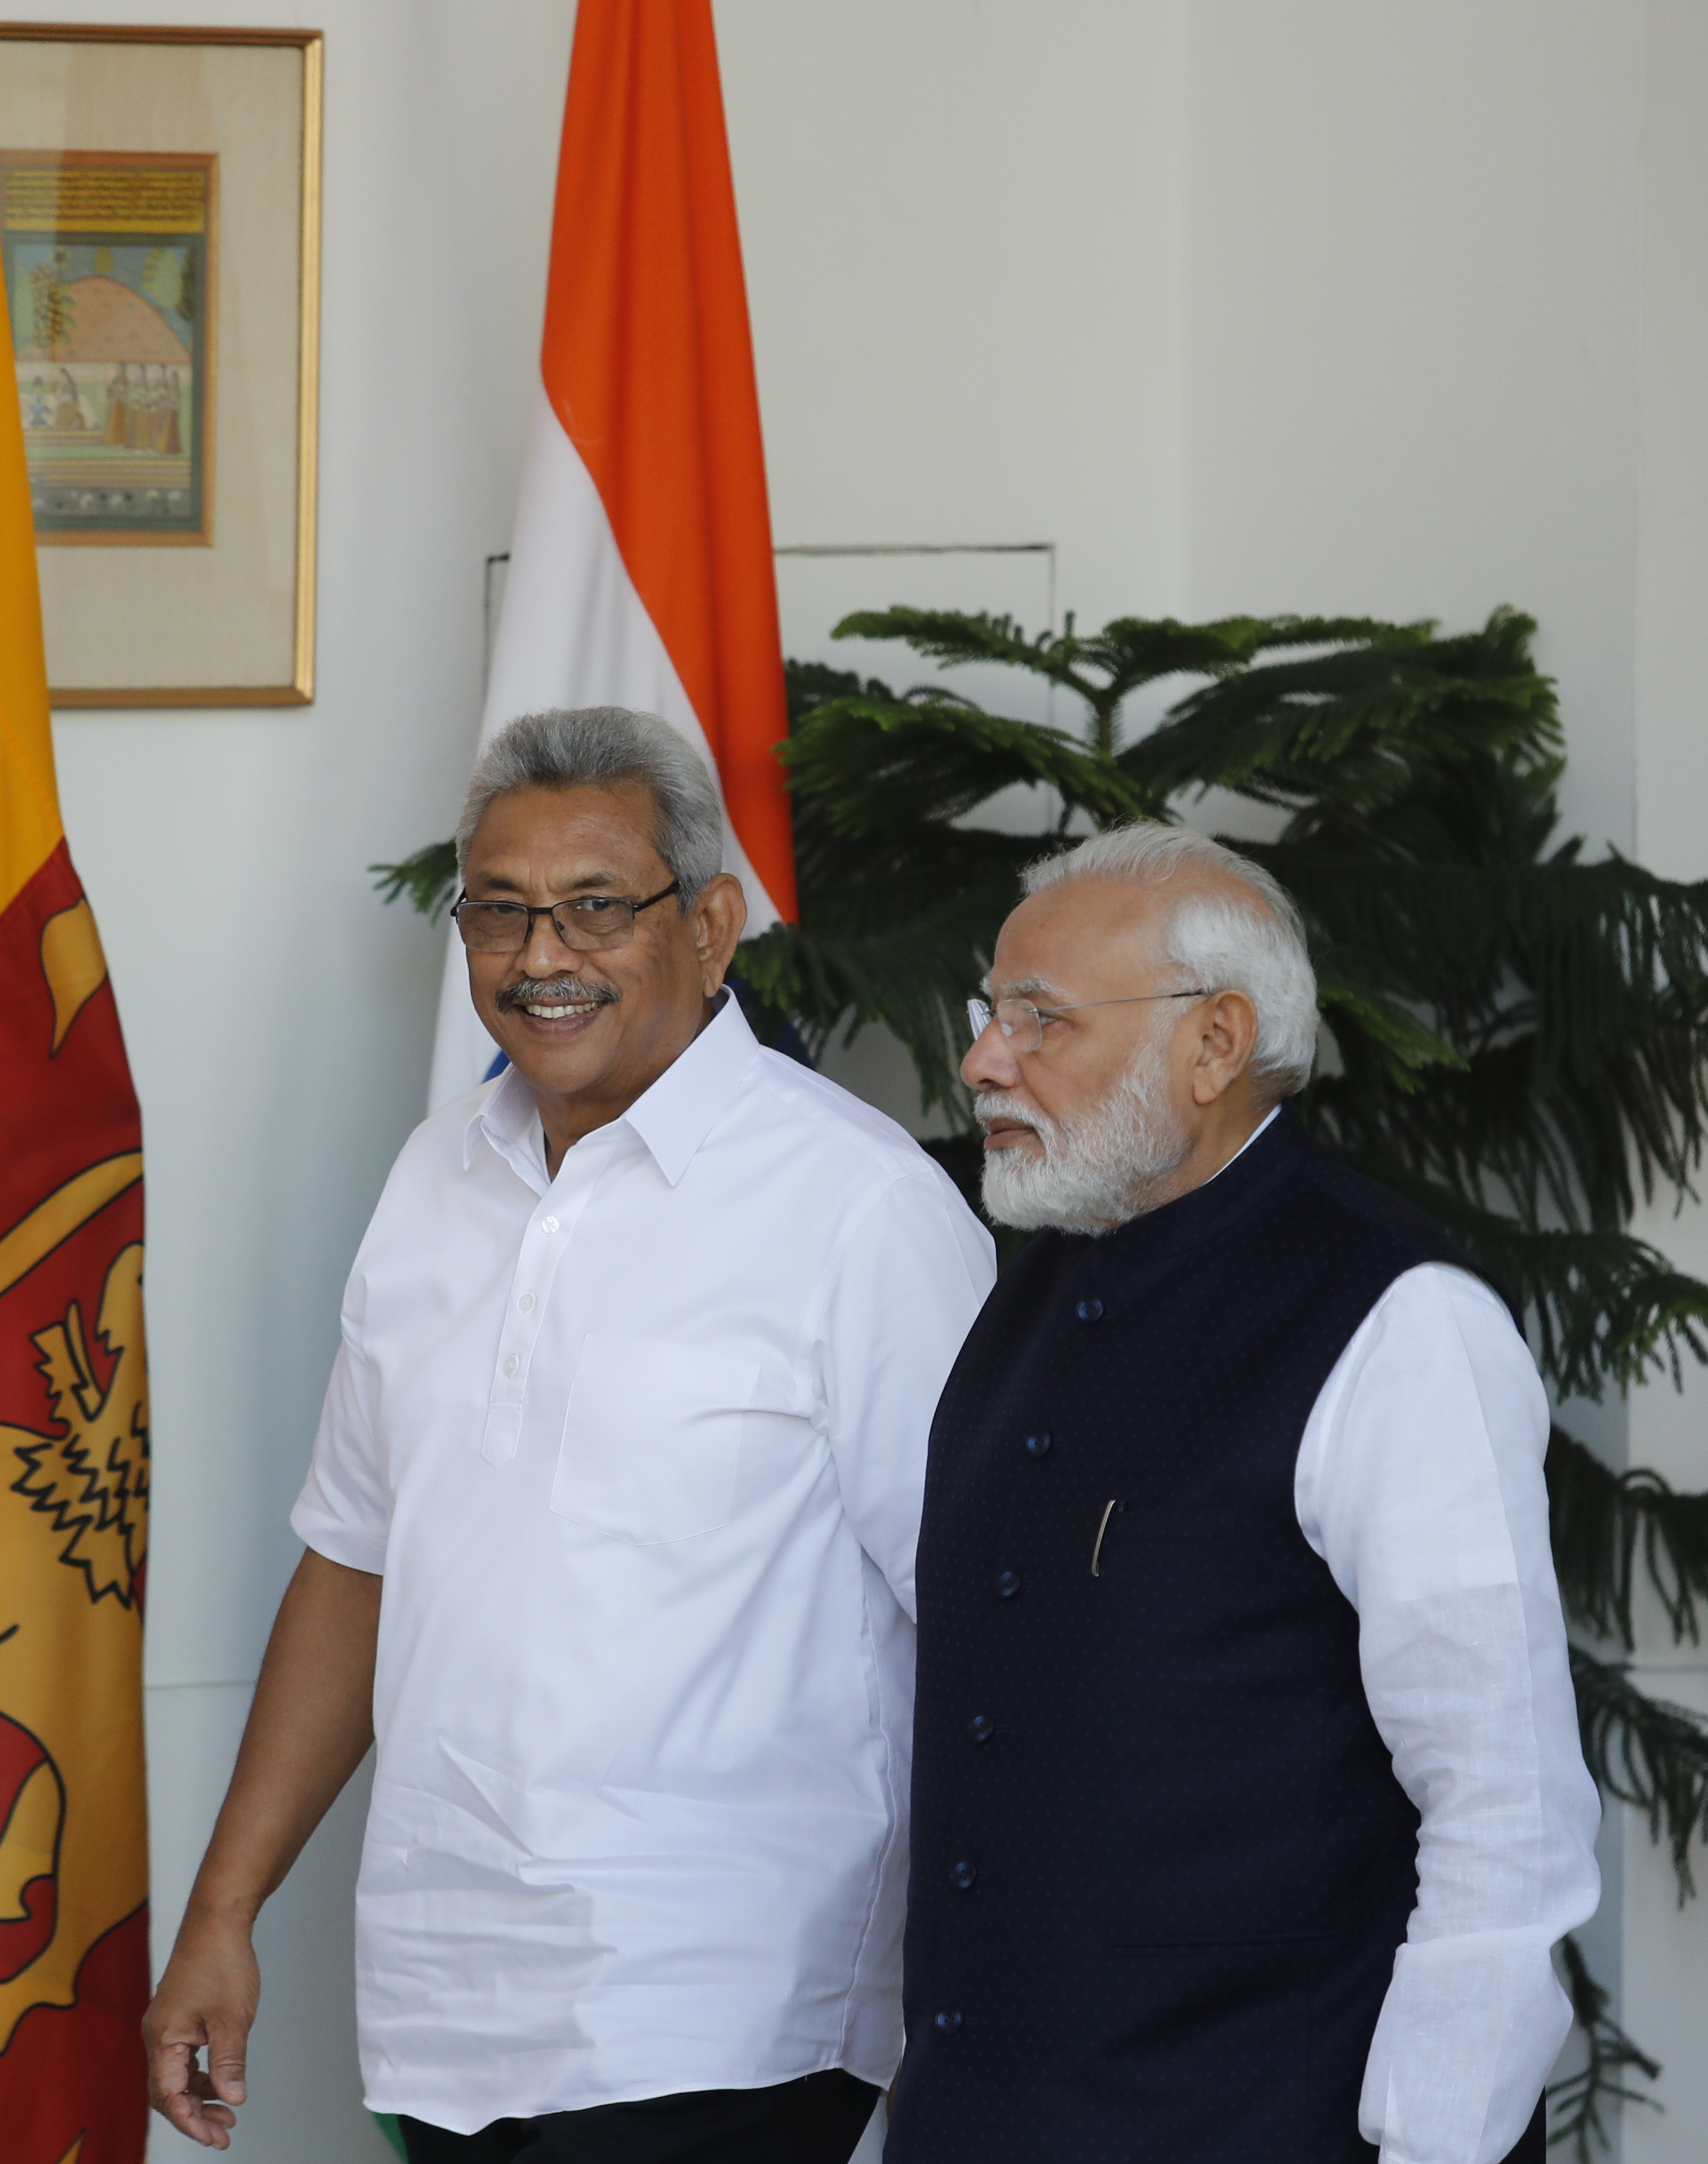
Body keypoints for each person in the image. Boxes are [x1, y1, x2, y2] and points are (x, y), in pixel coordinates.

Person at [145, 708, 995, 2163]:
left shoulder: (861, 1211)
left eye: (599, 907)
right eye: (500, 911)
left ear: (714, 927)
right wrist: (222, 1913)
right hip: (447, 2010)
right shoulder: (434, 1178)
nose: (542, 957)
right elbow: (355, 1567)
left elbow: (991, 1626)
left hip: (730, 2018)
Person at [892, 825, 1598, 2164]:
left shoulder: (1400, 1319)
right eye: (991, 1014)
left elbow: (1504, 1814)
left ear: (1216, 1043)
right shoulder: (1024, 1296)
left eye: (1040, 1019)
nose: (984, 1057)